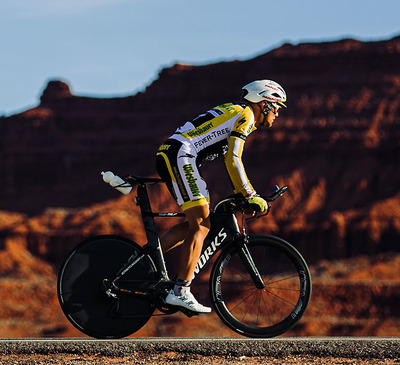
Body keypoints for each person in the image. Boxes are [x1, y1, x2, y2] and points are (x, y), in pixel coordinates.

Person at [156, 79, 287, 313]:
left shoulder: (234, 109)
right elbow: (233, 159)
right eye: (276, 107)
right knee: (201, 226)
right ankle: (180, 291)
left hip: (174, 151)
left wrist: (243, 193)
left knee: (195, 225)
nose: (277, 113)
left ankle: (139, 262)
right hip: (181, 154)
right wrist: (249, 194)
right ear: (264, 103)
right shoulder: (245, 114)